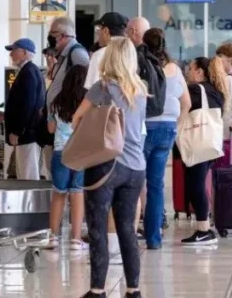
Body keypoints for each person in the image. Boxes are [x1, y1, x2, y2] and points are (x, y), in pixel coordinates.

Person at [73, 37, 147, 298]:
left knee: (98, 228)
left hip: (107, 165)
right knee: (127, 229)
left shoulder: (101, 87)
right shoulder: (140, 88)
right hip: (136, 167)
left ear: (110, 58)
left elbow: (77, 118)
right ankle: (134, 290)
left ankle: (97, 290)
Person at [140, 28, 188, 250]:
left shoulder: (141, 67)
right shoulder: (175, 70)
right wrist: (176, 127)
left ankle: (130, 232)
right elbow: (186, 103)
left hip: (144, 128)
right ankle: (154, 237)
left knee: (135, 182)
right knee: (156, 184)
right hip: (168, 128)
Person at [180, 56, 231, 245]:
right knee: (198, 184)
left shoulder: (195, 90)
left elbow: (183, 107)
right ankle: (204, 227)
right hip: (210, 143)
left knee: (195, 186)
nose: (188, 71)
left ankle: (204, 229)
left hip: (197, 143)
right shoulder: (216, 91)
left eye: (191, 68)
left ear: (200, 71)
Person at [46, 64, 87, 251]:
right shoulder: (88, 101)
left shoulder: (57, 101)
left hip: (60, 151)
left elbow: (50, 129)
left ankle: (53, 236)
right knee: (77, 193)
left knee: (58, 194)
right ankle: (76, 239)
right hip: (80, 152)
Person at [4, 38, 46, 181]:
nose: (11, 55)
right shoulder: (29, 71)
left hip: (27, 134)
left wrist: (17, 131)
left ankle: (32, 204)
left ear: (24, 52)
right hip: (27, 133)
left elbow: (28, 105)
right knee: (25, 173)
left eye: (13, 51)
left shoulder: (28, 73)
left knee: (27, 176)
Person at [85, 12, 128, 89]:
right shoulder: (132, 53)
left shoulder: (100, 55)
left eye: (99, 29)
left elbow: (92, 90)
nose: (98, 34)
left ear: (105, 31)